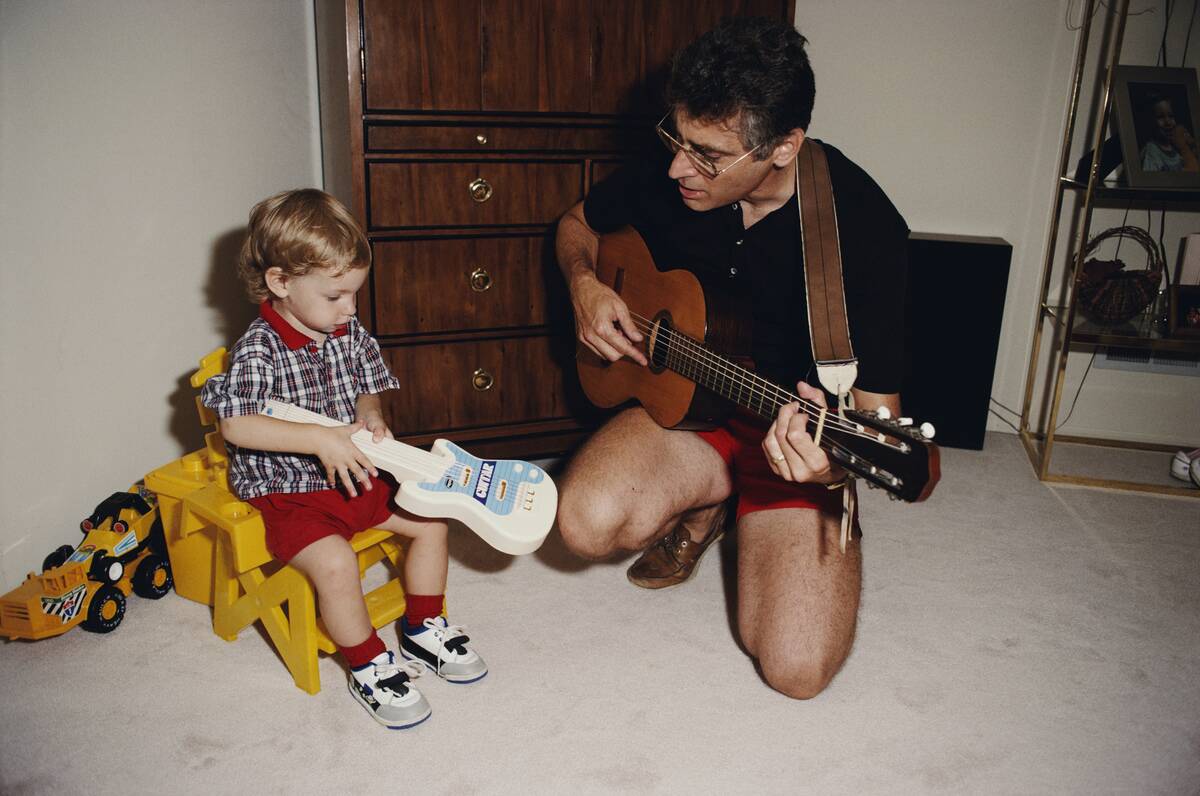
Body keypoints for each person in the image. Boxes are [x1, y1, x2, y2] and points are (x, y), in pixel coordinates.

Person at [554, 18, 908, 699]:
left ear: (783, 147)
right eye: (676, 139)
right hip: (691, 412)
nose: (678, 168)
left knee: (796, 670)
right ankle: (710, 502)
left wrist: (833, 464)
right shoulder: (675, 172)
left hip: (793, 441)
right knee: (584, 521)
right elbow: (576, 226)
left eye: (708, 155)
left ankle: (744, 507)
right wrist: (585, 285)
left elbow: (876, 418)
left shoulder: (863, 228)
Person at [201, 189, 486, 729]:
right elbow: (235, 424)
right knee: (335, 563)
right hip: (290, 493)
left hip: (354, 477)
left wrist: (370, 413)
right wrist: (318, 440)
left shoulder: (344, 331)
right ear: (280, 282)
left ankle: (424, 628)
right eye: (336, 296)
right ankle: (367, 663)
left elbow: (368, 387)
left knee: (432, 523)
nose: (350, 309)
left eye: (354, 293)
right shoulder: (258, 349)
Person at [1138, 92, 1200, 172]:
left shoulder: (1176, 149)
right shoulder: (1151, 151)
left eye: (1171, 116)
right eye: (1160, 117)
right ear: (1150, 121)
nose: (1168, 122)